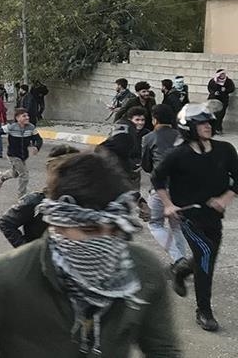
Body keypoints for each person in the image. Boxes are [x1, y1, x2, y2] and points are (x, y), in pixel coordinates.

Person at [0, 151, 180, 357]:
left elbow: (162, 349)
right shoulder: (8, 277)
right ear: (57, 225)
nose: (104, 241)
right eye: (88, 230)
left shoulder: (143, 271)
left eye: (113, 230)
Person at [151, 102, 238, 332]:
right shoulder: (178, 155)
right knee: (206, 253)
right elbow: (157, 178)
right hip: (188, 216)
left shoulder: (225, 150)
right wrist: (168, 205)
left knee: (205, 259)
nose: (207, 126)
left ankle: (181, 269)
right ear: (189, 127)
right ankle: (204, 311)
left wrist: (225, 199)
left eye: (209, 122)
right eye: (201, 123)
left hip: (214, 217)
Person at [140, 104, 191, 281]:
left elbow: (147, 166)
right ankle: (181, 266)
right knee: (176, 226)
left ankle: (179, 259)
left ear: (154, 119)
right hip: (183, 189)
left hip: (161, 188)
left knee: (155, 224)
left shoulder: (149, 137)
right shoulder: (182, 136)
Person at [0, 145, 80, 247]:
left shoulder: (85, 202)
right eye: (62, 172)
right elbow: (6, 222)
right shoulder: (36, 201)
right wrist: (27, 250)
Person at [0, 108, 44, 198]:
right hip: (13, 155)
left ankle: (2, 176)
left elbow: (39, 139)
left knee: (15, 173)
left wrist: (37, 147)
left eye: (27, 115)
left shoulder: (31, 127)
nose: (27, 117)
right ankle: (21, 197)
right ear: (17, 118)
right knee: (24, 175)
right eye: (24, 116)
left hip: (23, 155)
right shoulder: (11, 127)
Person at [97, 106, 146, 189]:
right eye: (137, 120)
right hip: (121, 169)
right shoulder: (125, 131)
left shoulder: (145, 133)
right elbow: (118, 149)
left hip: (132, 170)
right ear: (130, 119)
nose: (140, 123)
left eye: (142, 120)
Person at [207, 68, 234, 134]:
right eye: (221, 74)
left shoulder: (228, 81)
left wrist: (226, 90)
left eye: (223, 74)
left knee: (221, 115)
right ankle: (212, 128)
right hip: (214, 99)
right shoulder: (213, 81)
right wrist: (214, 93)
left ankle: (218, 128)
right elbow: (209, 88)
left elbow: (232, 89)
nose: (222, 75)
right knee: (213, 114)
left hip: (223, 100)